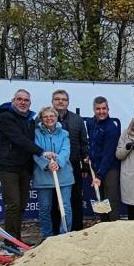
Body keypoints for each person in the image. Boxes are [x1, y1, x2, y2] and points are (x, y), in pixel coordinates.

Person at [0, 89, 44, 245]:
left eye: (26, 100)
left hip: (24, 167)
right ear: (13, 100)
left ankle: (17, 239)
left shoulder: (29, 120)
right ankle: (10, 241)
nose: (23, 102)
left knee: (22, 204)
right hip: (8, 167)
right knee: (13, 204)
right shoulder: (6, 117)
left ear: (30, 103)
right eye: (20, 99)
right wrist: (42, 152)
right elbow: (19, 139)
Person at [32, 106, 74, 241]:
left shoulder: (64, 134)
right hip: (43, 176)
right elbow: (35, 151)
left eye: (52, 116)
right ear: (41, 119)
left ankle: (64, 236)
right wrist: (46, 164)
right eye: (46, 116)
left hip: (63, 175)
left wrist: (58, 163)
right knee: (45, 208)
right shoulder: (36, 133)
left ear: (56, 118)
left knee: (65, 207)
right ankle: (47, 237)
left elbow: (65, 151)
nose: (49, 118)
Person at [51, 89, 88, 232]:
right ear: (52, 101)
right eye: (57, 99)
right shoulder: (44, 118)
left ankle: (77, 230)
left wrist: (85, 166)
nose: (61, 102)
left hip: (72, 166)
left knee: (75, 199)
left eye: (64, 99)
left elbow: (84, 143)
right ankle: (56, 233)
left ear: (68, 102)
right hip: (52, 167)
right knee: (55, 200)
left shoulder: (77, 120)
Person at [85, 96, 122, 222]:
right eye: (98, 109)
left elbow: (108, 154)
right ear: (94, 109)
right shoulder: (90, 123)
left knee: (110, 199)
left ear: (108, 109)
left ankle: (113, 228)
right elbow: (92, 143)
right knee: (99, 198)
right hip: (95, 166)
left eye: (104, 108)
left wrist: (99, 176)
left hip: (110, 168)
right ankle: (103, 226)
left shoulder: (112, 128)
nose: (101, 111)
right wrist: (90, 156)